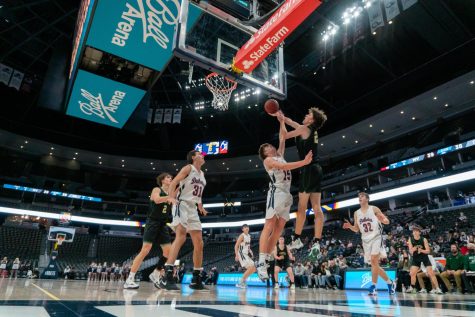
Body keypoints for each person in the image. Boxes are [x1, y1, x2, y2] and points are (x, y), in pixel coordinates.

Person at [256, 114, 312, 281]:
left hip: (286, 195)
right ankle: (260, 261)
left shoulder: (278, 154)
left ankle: (266, 260)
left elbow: (282, 138)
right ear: (264, 153)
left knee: (279, 229)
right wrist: (303, 162)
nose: (270, 147)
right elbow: (283, 166)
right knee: (269, 225)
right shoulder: (268, 161)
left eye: (269, 146)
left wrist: (281, 121)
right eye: (266, 147)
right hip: (276, 193)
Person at [277, 108, 327, 260]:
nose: (306, 115)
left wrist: (280, 122)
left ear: (311, 120)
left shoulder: (305, 128)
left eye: (309, 115)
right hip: (316, 169)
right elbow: (293, 123)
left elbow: (284, 136)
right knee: (317, 207)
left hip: (308, 169)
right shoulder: (308, 129)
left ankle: (297, 238)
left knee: (302, 207)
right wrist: (282, 116)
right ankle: (317, 241)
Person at [160, 150, 208, 291]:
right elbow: (174, 182)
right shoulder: (189, 168)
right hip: (181, 204)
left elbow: (197, 194)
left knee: (199, 243)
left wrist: (200, 206)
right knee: (181, 237)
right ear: (193, 157)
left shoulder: (202, 175)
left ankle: (196, 278)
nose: (202, 155)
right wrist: (170, 197)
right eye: (199, 153)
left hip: (192, 208)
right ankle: (167, 276)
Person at [124, 173, 174, 289]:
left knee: (168, 251)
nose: (170, 179)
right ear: (162, 180)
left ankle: (155, 273)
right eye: (168, 177)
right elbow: (156, 200)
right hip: (152, 222)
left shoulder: (170, 195)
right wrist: (170, 197)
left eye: (171, 178)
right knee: (145, 250)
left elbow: (166, 211)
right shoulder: (157, 189)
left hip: (162, 224)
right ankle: (130, 279)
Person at [343, 192, 396, 295]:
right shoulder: (356, 213)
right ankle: (390, 283)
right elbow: (356, 229)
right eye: (359, 197)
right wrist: (350, 226)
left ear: (367, 199)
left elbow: (386, 221)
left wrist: (383, 220)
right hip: (365, 240)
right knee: (374, 264)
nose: (360, 198)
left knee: (373, 260)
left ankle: (373, 286)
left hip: (376, 237)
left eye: (362, 196)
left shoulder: (374, 209)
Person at [234, 224, 256, 288]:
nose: (246, 228)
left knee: (254, 268)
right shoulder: (242, 236)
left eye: (247, 227)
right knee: (250, 267)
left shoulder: (249, 236)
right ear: (242, 229)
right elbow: (236, 246)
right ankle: (241, 282)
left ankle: (243, 281)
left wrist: (250, 251)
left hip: (246, 254)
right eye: (245, 227)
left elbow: (248, 246)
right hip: (241, 254)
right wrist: (236, 255)